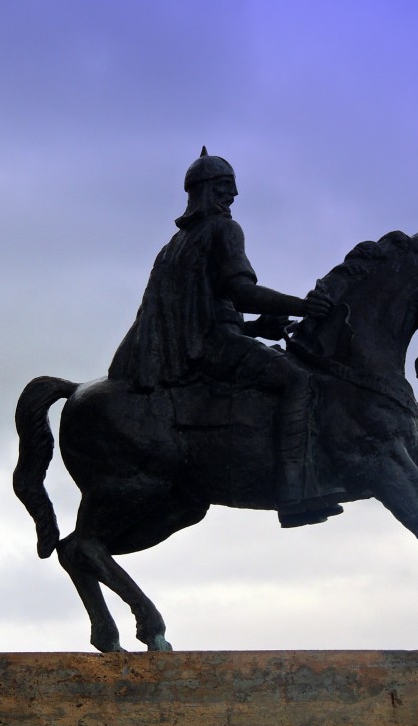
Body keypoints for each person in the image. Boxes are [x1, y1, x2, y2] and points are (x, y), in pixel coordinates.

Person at [108, 148, 344, 527]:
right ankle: (295, 489)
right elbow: (240, 292)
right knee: (299, 379)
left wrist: (251, 329)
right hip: (214, 347)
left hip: (204, 343)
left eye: (232, 188)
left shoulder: (173, 246)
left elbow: (199, 309)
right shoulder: (223, 230)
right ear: (202, 191)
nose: (231, 197)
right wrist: (305, 306)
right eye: (223, 188)